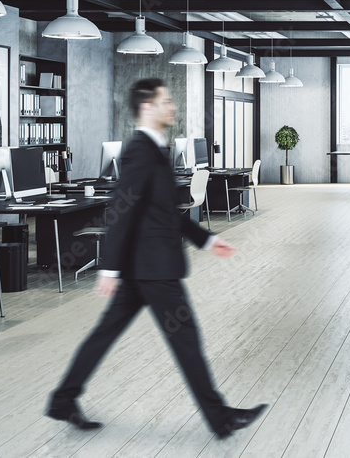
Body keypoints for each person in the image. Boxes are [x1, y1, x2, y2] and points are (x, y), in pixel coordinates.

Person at [47, 78, 265, 439]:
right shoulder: (139, 150)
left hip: (143, 267)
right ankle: (219, 417)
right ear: (147, 107)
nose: (173, 106)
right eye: (166, 100)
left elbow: (163, 211)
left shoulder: (153, 150)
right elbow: (122, 209)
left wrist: (206, 240)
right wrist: (109, 267)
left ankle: (62, 400)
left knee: (105, 333)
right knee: (186, 339)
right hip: (152, 268)